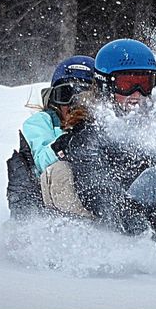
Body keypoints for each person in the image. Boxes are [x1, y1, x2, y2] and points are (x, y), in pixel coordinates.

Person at [61, 39, 156, 241]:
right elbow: (94, 189)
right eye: (127, 84)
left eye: (144, 84)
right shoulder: (89, 134)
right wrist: (136, 220)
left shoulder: (154, 126)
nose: (137, 94)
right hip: (129, 225)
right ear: (105, 85)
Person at [20, 55, 96, 219]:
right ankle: (74, 229)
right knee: (60, 171)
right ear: (54, 99)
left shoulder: (100, 124)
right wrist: (64, 144)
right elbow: (40, 161)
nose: (73, 104)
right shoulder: (40, 122)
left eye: (83, 97)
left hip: (94, 194)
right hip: (52, 201)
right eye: (65, 95)